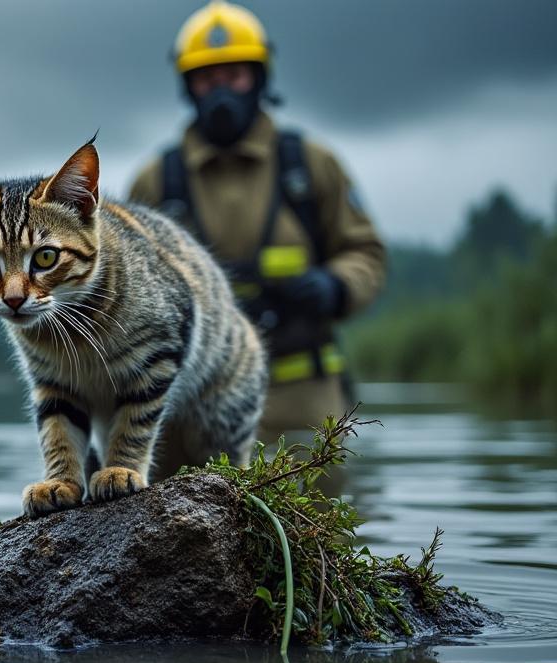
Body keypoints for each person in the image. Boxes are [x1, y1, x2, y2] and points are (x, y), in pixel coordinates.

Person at [128, 0, 386, 454]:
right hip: (186, 407)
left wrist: (336, 285)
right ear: (188, 87)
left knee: (316, 522)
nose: (221, 91)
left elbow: (365, 251)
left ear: (260, 79)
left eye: (234, 76)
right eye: (208, 78)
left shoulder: (310, 164)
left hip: (302, 401)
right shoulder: (156, 181)